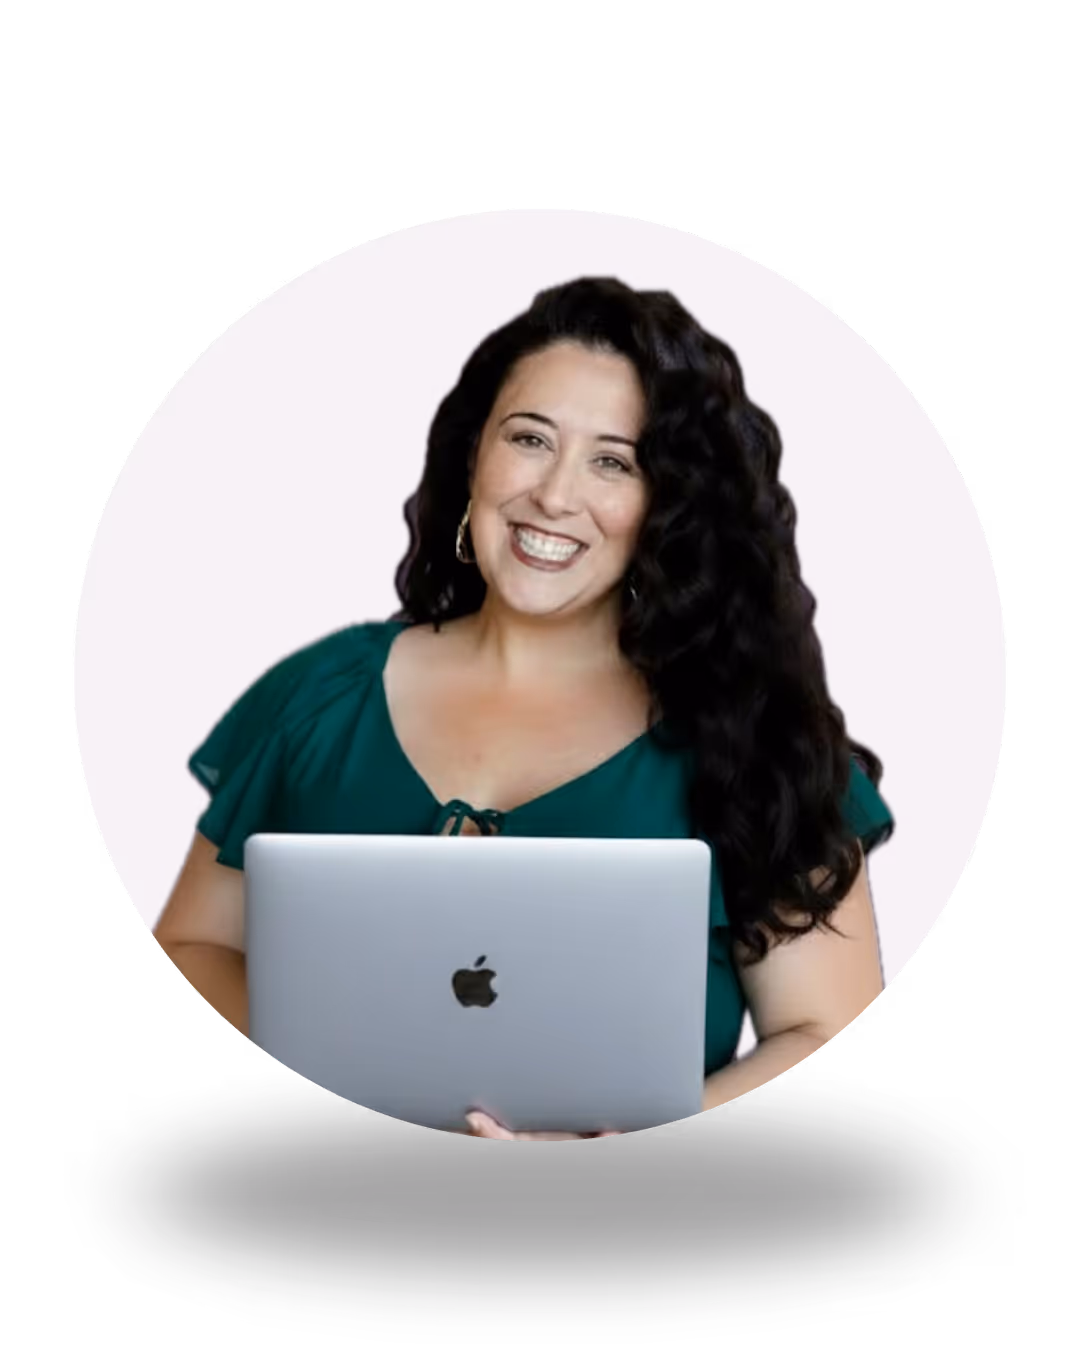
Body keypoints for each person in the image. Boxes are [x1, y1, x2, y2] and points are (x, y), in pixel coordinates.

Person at [153, 276, 895, 1141]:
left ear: (668, 504)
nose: (554, 496)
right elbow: (193, 948)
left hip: (635, 1213)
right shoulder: (321, 693)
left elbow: (823, 1031)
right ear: (474, 454)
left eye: (614, 461)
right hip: (314, 1189)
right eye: (530, 439)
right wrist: (327, 1086)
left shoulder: (757, 734)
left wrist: (629, 1148)